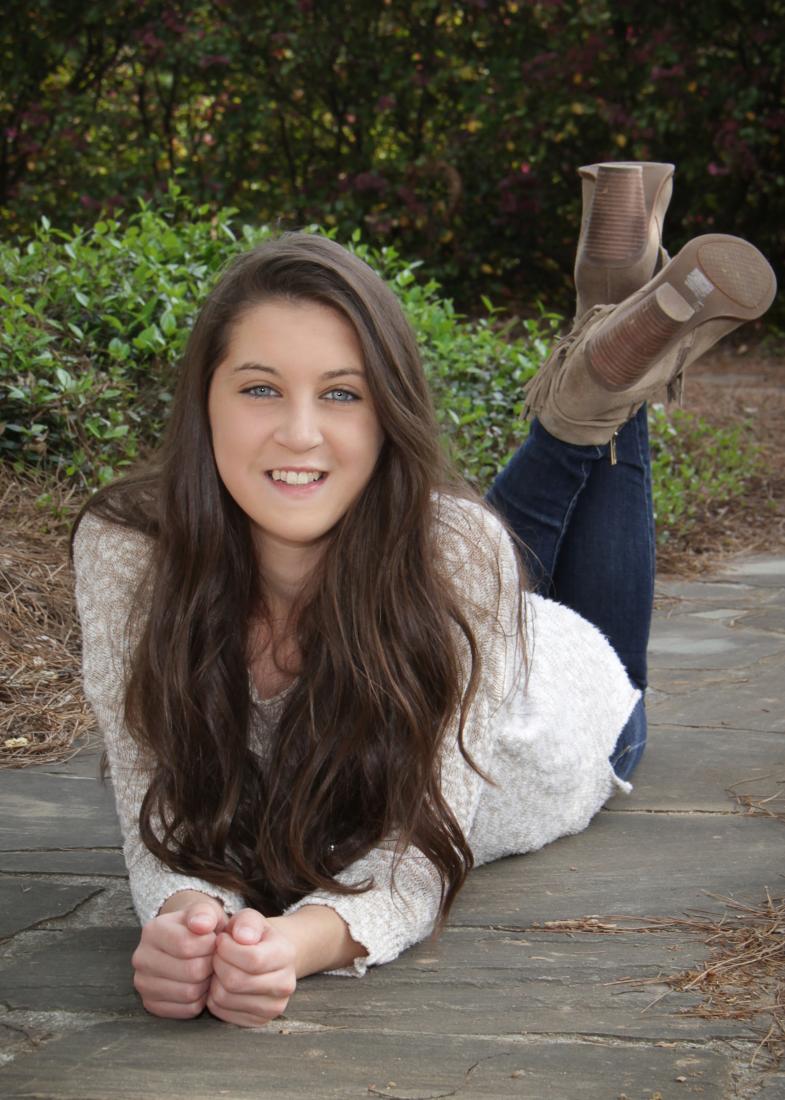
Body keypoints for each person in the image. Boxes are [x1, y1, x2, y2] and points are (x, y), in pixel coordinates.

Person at [72, 162, 776, 1029]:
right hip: (453, 602)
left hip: (565, 713)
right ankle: (604, 343)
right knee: (459, 540)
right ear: (203, 404)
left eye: (342, 393)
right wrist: (183, 920)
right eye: (259, 388)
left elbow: (414, 856)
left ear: (386, 415)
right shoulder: (128, 552)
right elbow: (156, 801)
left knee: (471, 548)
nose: (298, 430)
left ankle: (605, 376)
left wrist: (296, 943)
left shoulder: (457, 552)